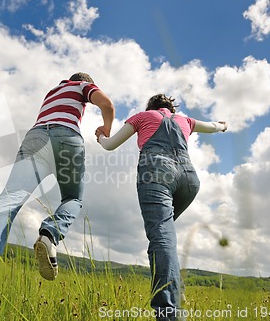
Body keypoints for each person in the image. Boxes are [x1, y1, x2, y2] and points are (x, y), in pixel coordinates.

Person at [0, 72, 115, 320]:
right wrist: (106, 128)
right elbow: (107, 105)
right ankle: (49, 234)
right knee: (73, 198)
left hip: (36, 137)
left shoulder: (51, 92)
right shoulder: (83, 86)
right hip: (66, 138)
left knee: (9, 198)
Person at [95, 94, 227, 321]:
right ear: (170, 108)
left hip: (157, 172)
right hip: (189, 179)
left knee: (161, 238)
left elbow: (109, 145)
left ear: (152, 107)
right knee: (163, 236)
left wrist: (100, 136)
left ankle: (169, 314)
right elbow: (214, 126)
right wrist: (224, 126)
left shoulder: (143, 116)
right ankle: (177, 291)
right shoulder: (185, 120)